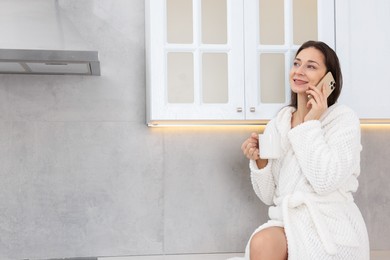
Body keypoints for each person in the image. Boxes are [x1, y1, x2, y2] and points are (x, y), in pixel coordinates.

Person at [238, 41, 369, 260]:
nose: (299, 71)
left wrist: (310, 123)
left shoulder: (343, 120)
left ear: (329, 80)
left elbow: (325, 180)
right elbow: (269, 196)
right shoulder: (279, 123)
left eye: (310, 66)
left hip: (330, 225)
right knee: (262, 242)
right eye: (296, 63)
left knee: (264, 242)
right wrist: (261, 163)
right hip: (288, 221)